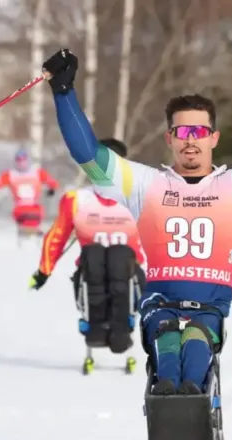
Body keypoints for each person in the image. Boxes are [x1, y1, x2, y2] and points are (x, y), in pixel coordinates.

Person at [42, 47, 232, 440]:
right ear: (169, 138)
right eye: (182, 133)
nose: (191, 142)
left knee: (197, 344)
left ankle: (196, 414)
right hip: (160, 303)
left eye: (199, 132)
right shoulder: (144, 185)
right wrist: (64, 92)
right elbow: (89, 155)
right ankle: (166, 417)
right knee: (168, 343)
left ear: (214, 138)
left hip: (208, 308)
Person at [29, 138, 147, 375]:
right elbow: (56, 237)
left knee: (120, 256)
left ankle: (121, 329)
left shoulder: (140, 198)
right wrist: (44, 271)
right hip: (91, 270)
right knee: (95, 255)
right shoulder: (77, 200)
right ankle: (96, 327)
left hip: (128, 271)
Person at [0, 148, 59, 236]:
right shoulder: (11, 174)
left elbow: (51, 182)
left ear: (28, 160)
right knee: (25, 226)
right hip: (20, 208)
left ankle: (33, 235)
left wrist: (52, 189)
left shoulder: (37, 173)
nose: (21, 163)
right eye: (18, 160)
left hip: (35, 207)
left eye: (23, 160)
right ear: (15, 161)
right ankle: (26, 236)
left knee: (33, 223)